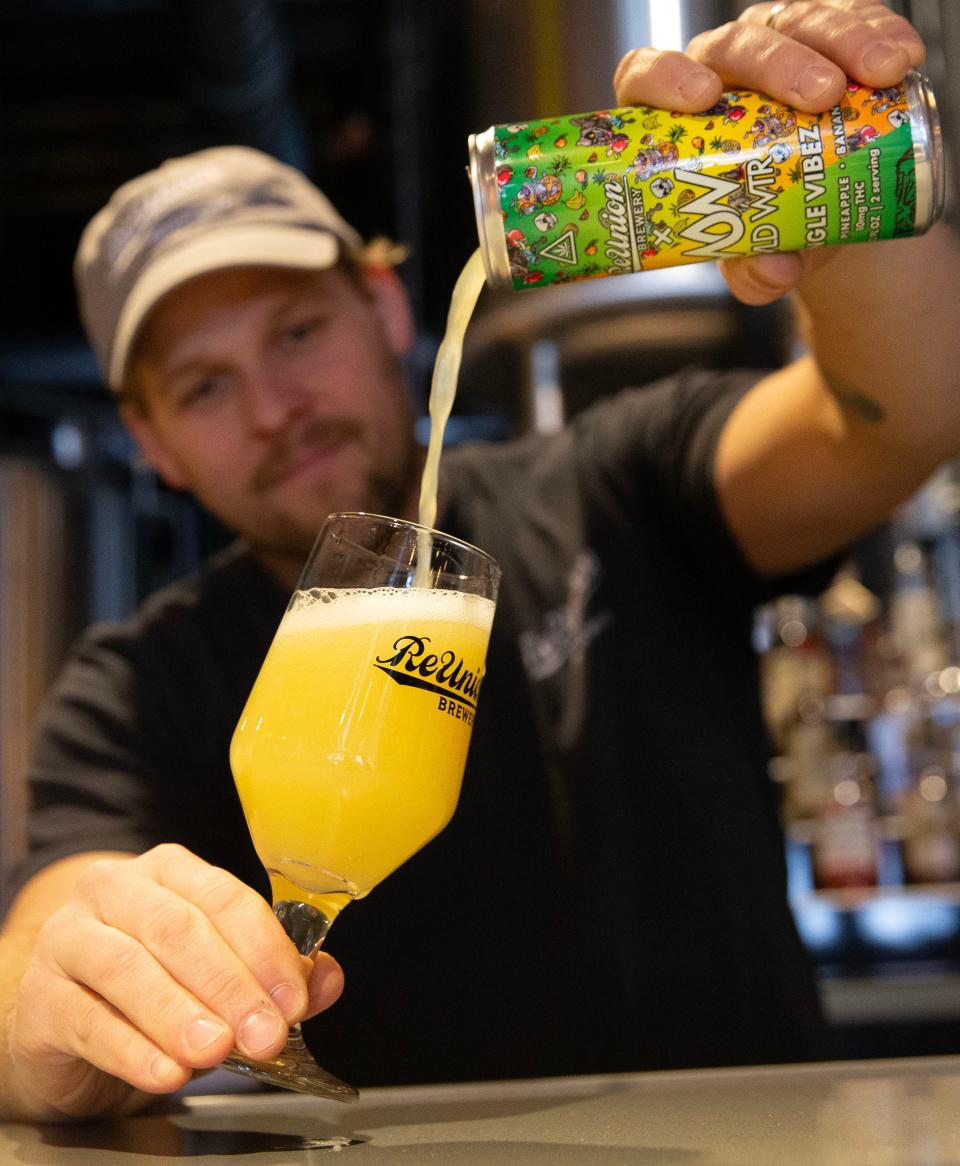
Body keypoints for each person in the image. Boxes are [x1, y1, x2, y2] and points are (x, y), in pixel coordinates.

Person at [1, 0, 958, 1123]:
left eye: (298, 332)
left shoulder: (613, 485)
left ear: (386, 305)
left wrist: (824, 188)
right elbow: (42, 946)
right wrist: (46, 1016)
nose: (274, 409)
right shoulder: (139, 682)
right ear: (153, 440)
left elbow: (905, 415)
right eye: (206, 387)